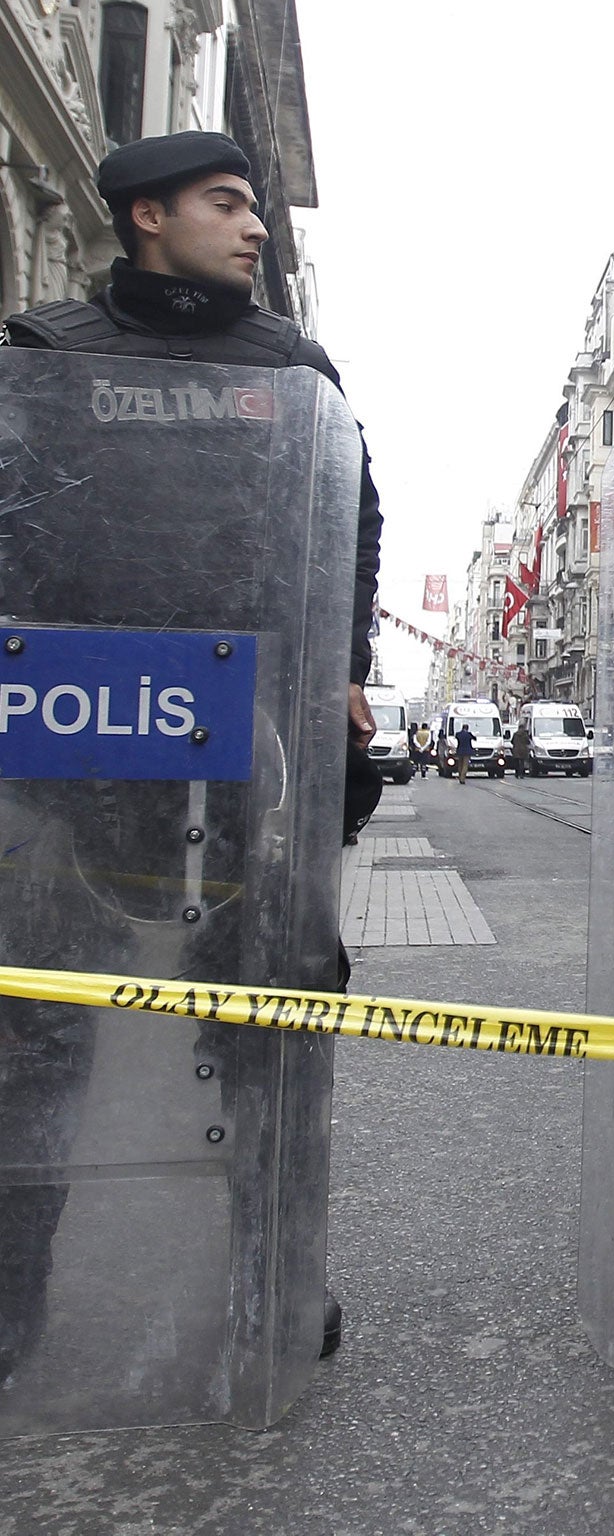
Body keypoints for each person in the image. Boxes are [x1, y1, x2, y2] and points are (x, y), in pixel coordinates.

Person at [0, 131, 381, 1374]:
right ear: (148, 217)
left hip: (249, 750)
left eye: (256, 205)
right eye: (226, 203)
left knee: (271, 1024)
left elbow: (353, 513)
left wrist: (340, 666)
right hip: (74, 748)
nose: (254, 225)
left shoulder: (291, 365)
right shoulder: (46, 351)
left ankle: (276, 1277)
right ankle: (12, 1300)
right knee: (38, 1034)